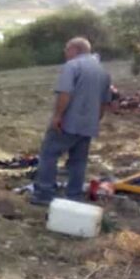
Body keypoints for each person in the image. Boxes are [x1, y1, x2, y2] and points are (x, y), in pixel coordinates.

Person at [31, 37, 111, 205]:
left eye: (67, 49)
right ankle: (74, 195)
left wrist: (58, 116)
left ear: (75, 49)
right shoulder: (102, 71)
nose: (65, 52)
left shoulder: (72, 66)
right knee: (79, 161)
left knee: (48, 154)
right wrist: (94, 120)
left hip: (69, 122)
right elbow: (104, 103)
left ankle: (44, 194)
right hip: (88, 124)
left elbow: (65, 93)